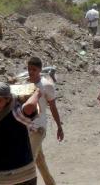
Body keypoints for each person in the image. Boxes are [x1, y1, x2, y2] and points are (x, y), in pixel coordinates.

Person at [26, 57, 62, 185]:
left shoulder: (46, 85)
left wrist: (59, 126)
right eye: (29, 69)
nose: (31, 72)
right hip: (26, 127)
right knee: (39, 160)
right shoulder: (25, 84)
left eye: (34, 69)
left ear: (40, 70)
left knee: (28, 161)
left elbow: (53, 107)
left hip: (39, 128)